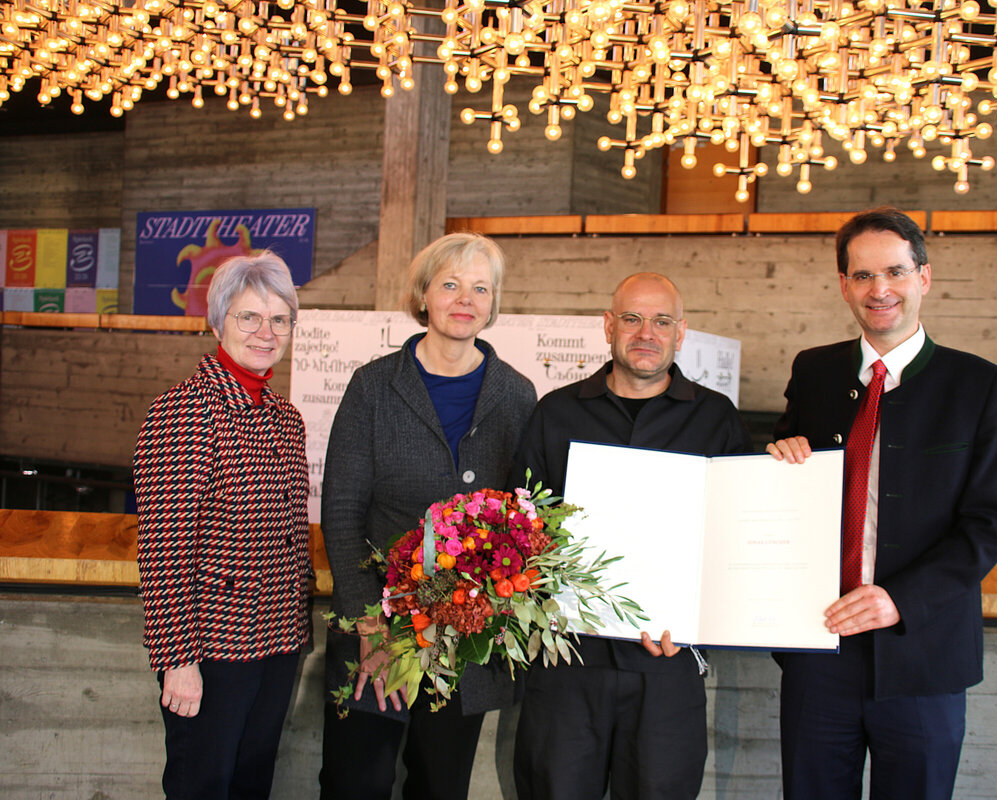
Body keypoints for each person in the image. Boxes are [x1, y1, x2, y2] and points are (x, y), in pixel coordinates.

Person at [767, 207, 997, 799]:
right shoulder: (814, 371)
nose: (880, 290)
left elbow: (989, 523)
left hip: (924, 654)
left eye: (895, 272)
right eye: (862, 276)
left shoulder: (979, 384)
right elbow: (783, 477)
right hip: (819, 647)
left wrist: (899, 599)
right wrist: (780, 453)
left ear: (923, 278)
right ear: (843, 286)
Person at [512, 272, 752, 800]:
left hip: (668, 664)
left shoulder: (716, 419)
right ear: (608, 325)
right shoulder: (556, 412)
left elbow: (735, 543)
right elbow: (521, 528)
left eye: (662, 320)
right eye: (632, 318)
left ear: (681, 332)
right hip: (568, 661)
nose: (647, 332)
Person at [319, 232, 537, 800]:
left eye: (480, 288)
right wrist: (369, 626)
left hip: (465, 637)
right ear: (423, 294)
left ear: (493, 304)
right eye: (450, 284)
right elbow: (341, 512)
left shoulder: (517, 395)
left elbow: (524, 522)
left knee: (440, 788)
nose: (465, 299)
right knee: (354, 782)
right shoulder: (373, 386)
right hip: (378, 628)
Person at [133, 251, 311, 800]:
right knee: (203, 786)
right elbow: (164, 548)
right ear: (216, 322)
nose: (266, 332)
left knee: (252, 784)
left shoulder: (285, 417)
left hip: (278, 640)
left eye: (279, 319)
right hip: (211, 649)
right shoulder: (185, 411)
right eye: (249, 317)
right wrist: (177, 660)